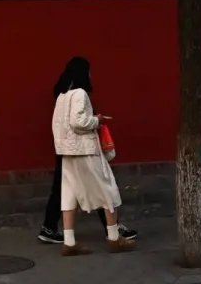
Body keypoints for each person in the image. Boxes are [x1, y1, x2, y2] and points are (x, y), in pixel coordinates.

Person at [38, 68, 136, 245]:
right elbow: (79, 122)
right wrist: (97, 120)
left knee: (68, 195)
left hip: (66, 152)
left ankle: (69, 241)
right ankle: (114, 236)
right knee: (106, 189)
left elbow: (58, 125)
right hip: (84, 150)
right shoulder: (80, 94)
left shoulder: (62, 96)